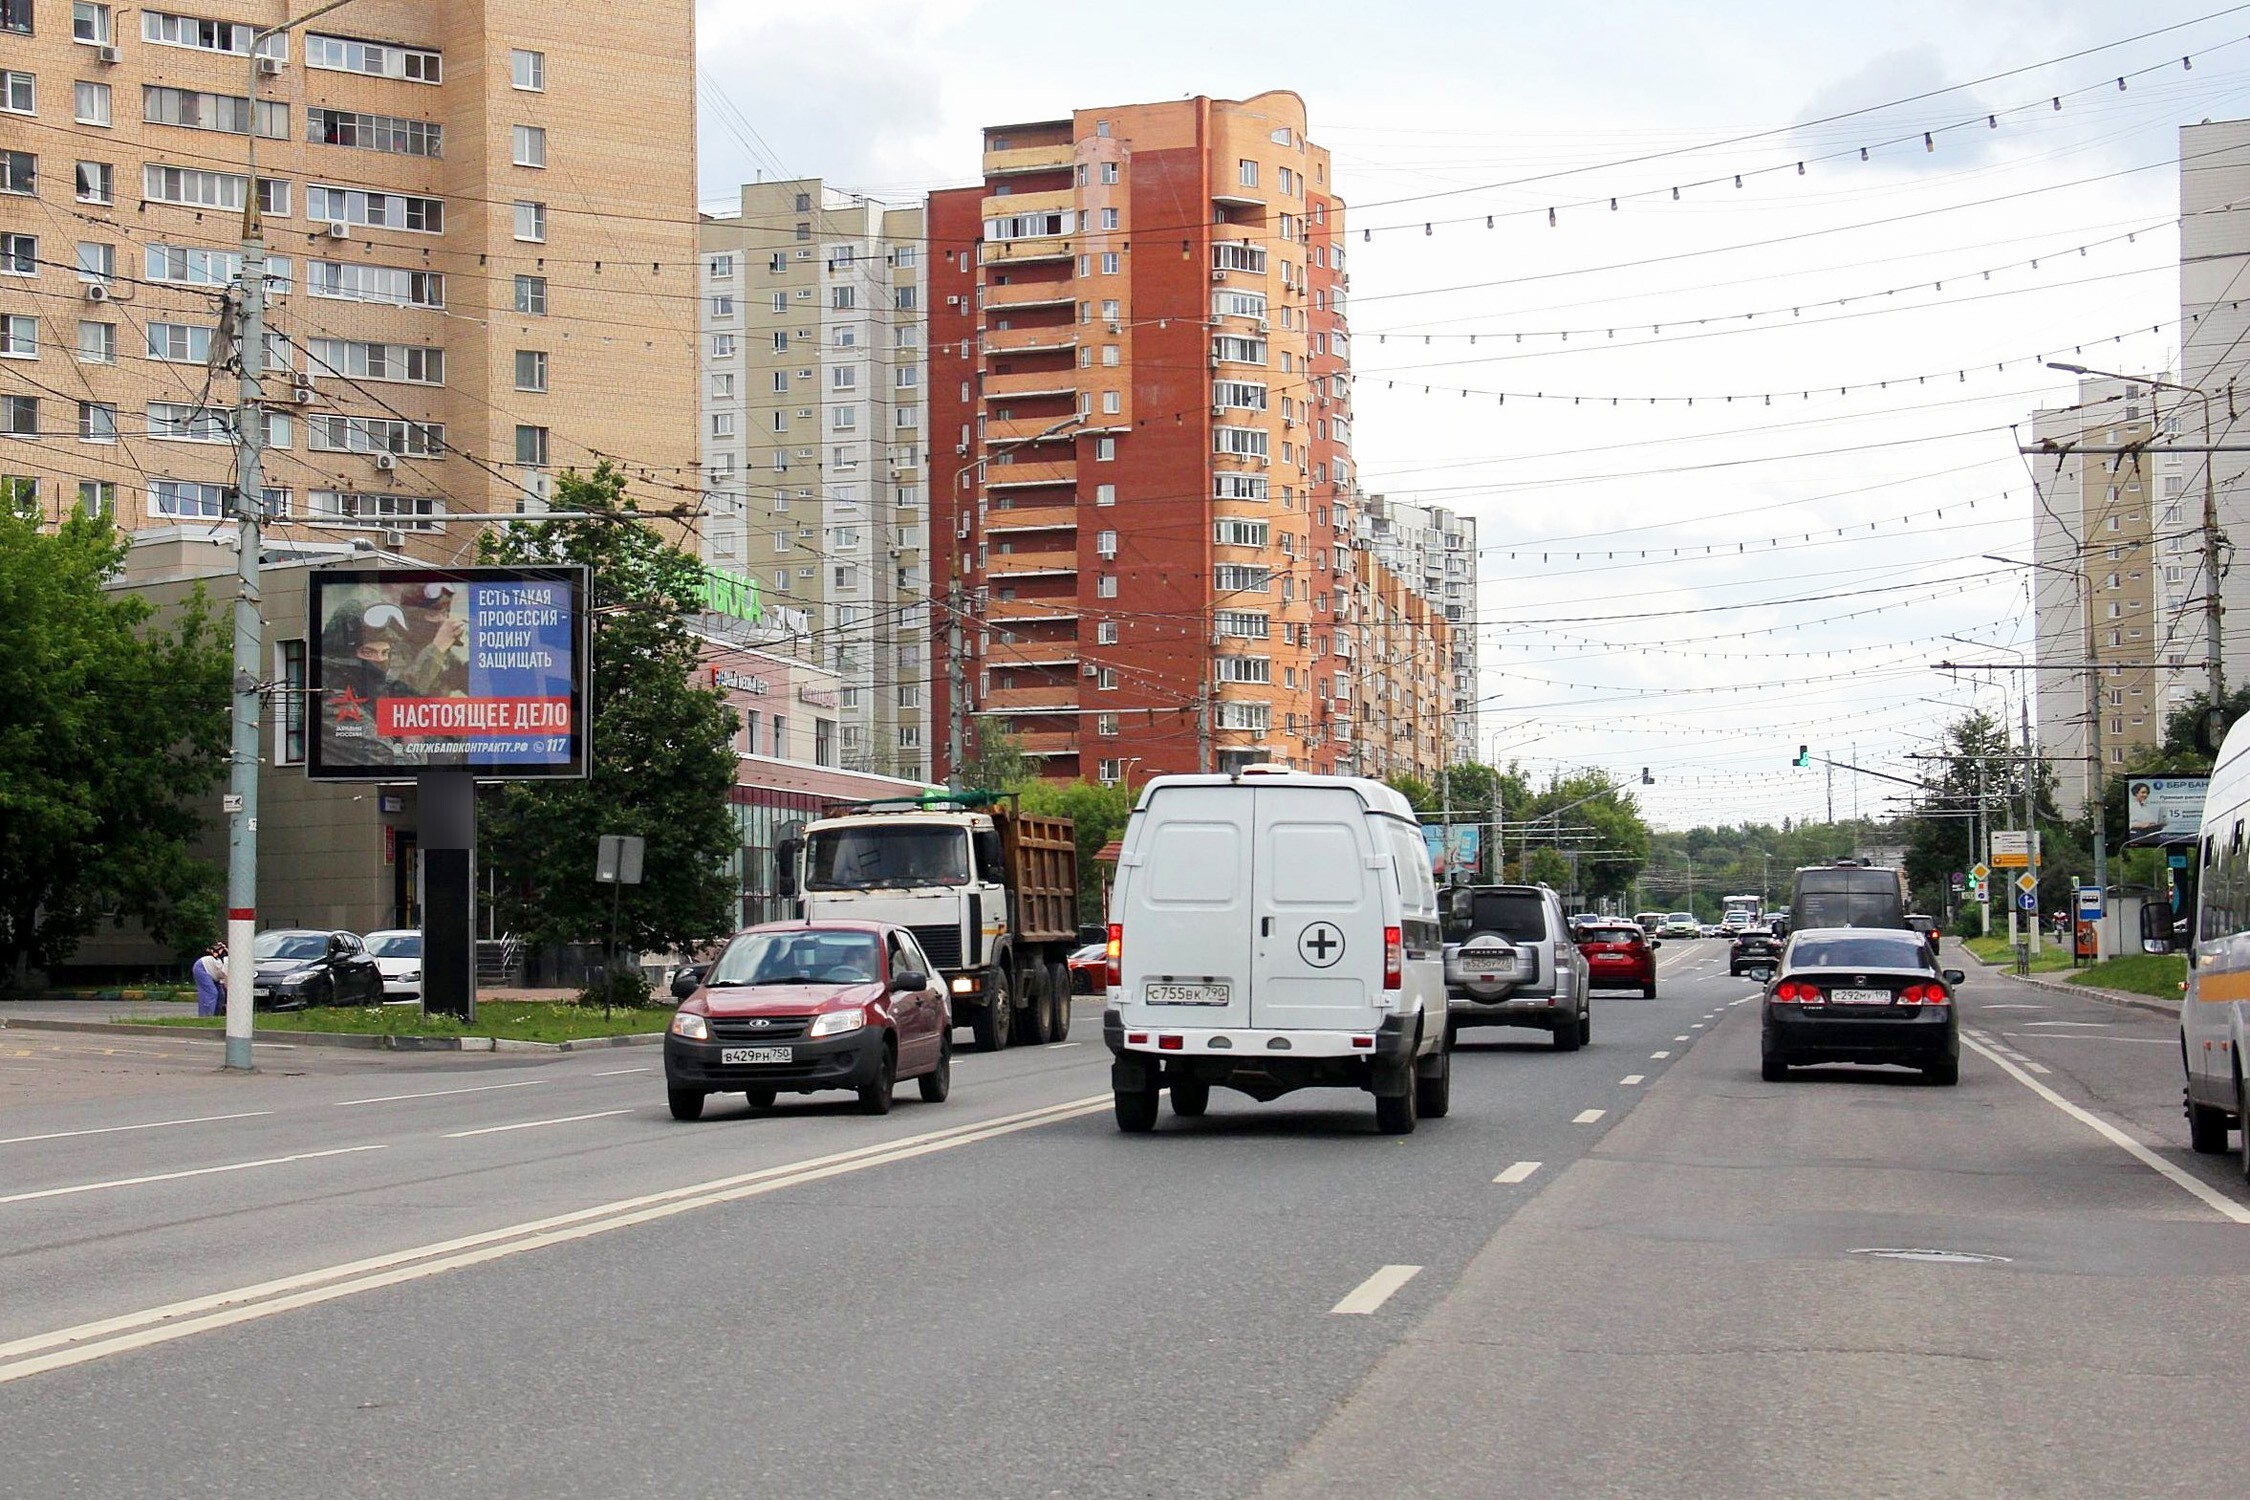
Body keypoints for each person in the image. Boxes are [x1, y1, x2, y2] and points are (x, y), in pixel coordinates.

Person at [192, 941, 227, 1018]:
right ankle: (206, 1016)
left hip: (214, 972)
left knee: (221, 994)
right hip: (202, 968)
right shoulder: (227, 964)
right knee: (211, 992)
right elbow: (225, 980)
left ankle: (217, 1015)